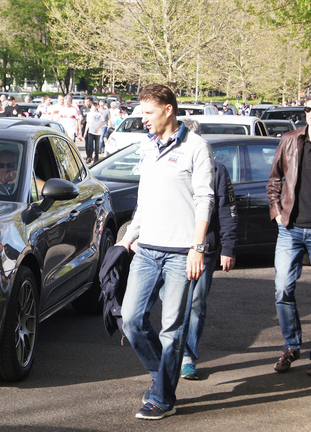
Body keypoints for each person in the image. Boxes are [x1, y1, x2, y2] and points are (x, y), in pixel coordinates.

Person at [116, 84, 214, 420]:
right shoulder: (147, 147)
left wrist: (197, 247)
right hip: (146, 250)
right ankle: (162, 376)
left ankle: (161, 398)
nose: (142, 119)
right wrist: (127, 238)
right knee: (130, 320)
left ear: (168, 110)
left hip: (181, 254)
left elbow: (205, 200)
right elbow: (145, 200)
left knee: (172, 329)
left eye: (148, 113)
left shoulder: (197, 147)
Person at [179, 118, 238, 380]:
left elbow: (227, 212)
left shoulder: (217, 171)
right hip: (173, 246)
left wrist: (229, 248)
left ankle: (187, 355)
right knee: (172, 303)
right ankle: (172, 351)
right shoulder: (172, 167)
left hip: (206, 249)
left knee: (196, 304)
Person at [266, 96, 311, 375]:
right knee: (282, 287)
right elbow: (273, 179)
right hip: (291, 228)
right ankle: (291, 345)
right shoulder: (291, 140)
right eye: (308, 109)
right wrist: (277, 213)